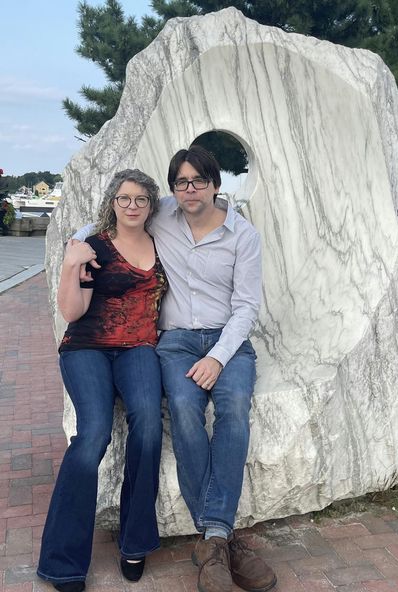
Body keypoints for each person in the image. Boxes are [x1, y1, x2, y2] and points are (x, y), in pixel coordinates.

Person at [75, 146, 276, 592]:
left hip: (228, 340)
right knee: (184, 408)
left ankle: (213, 538)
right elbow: (113, 217)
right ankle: (224, 540)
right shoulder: (162, 214)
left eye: (199, 181)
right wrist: (76, 239)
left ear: (216, 185)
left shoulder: (243, 234)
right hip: (175, 343)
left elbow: (246, 307)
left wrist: (218, 356)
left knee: (234, 407)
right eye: (182, 182)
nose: (190, 189)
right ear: (172, 189)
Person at [37, 170, 168, 592]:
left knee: (147, 423)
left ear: (151, 206)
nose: (132, 206)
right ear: (113, 201)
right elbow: (73, 312)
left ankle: (135, 542)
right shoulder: (92, 245)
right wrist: (69, 266)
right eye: (125, 198)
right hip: (88, 347)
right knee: (93, 434)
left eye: (141, 200)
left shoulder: (161, 245)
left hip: (139, 349)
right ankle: (62, 562)